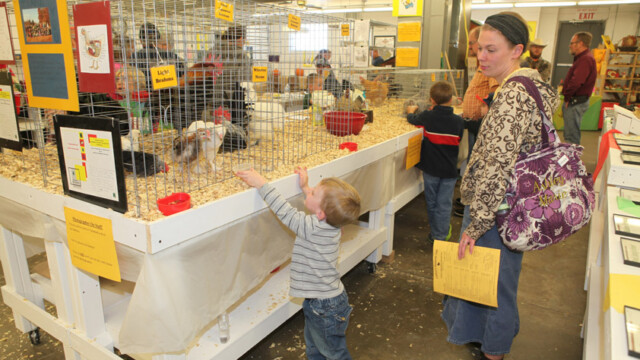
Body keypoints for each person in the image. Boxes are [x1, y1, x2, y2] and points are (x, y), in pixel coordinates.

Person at [442, 13, 559, 360]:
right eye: (479, 49)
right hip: (515, 205)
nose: (482, 57)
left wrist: (475, 226)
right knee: (501, 280)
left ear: (517, 50)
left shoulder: (511, 96)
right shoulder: (529, 84)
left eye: (492, 50)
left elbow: (496, 166)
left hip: (498, 209)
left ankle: (494, 351)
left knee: (493, 285)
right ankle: (495, 339)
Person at [235, 166, 361, 360]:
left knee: (334, 354)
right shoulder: (333, 224)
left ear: (320, 213)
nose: (310, 192)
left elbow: (284, 211)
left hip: (323, 307)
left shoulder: (311, 227)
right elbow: (320, 206)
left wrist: (261, 183)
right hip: (326, 303)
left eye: (314, 192)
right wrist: (305, 187)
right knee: (315, 348)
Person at [405, 81, 464, 242]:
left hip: (431, 170)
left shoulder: (428, 117)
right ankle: (441, 234)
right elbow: (458, 139)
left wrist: (410, 111)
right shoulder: (458, 121)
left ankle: (436, 233)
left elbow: (413, 119)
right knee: (444, 204)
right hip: (449, 171)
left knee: (431, 202)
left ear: (432, 100)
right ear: (451, 99)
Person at [456, 26, 499, 216]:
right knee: (472, 161)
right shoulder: (483, 65)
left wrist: (486, 105)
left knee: (476, 165)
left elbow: (494, 89)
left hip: (480, 123)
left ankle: (472, 204)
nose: (475, 50)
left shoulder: (491, 67)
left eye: (475, 44)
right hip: (474, 123)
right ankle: (469, 198)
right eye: (477, 46)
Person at [562, 31, 597, 145]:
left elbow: (577, 82)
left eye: (572, 43)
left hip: (575, 102)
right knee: (571, 133)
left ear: (580, 44)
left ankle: (572, 160)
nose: (570, 45)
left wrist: (567, 98)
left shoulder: (585, 59)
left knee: (571, 136)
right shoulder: (582, 58)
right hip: (575, 101)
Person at [132, 22, 186, 88]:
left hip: (145, 94)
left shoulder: (134, 57)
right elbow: (182, 75)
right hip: (168, 93)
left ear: (140, 40)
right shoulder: (171, 56)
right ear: (158, 39)